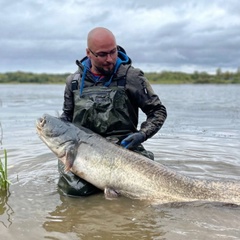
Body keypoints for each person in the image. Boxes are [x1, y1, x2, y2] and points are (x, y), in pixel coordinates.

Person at [58, 27, 167, 197]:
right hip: (87, 152)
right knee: (75, 191)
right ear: (89, 53)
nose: (109, 59)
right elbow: (66, 118)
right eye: (102, 54)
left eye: (113, 52)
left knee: (147, 191)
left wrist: (142, 134)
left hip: (125, 150)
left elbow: (158, 111)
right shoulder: (73, 82)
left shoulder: (132, 77)